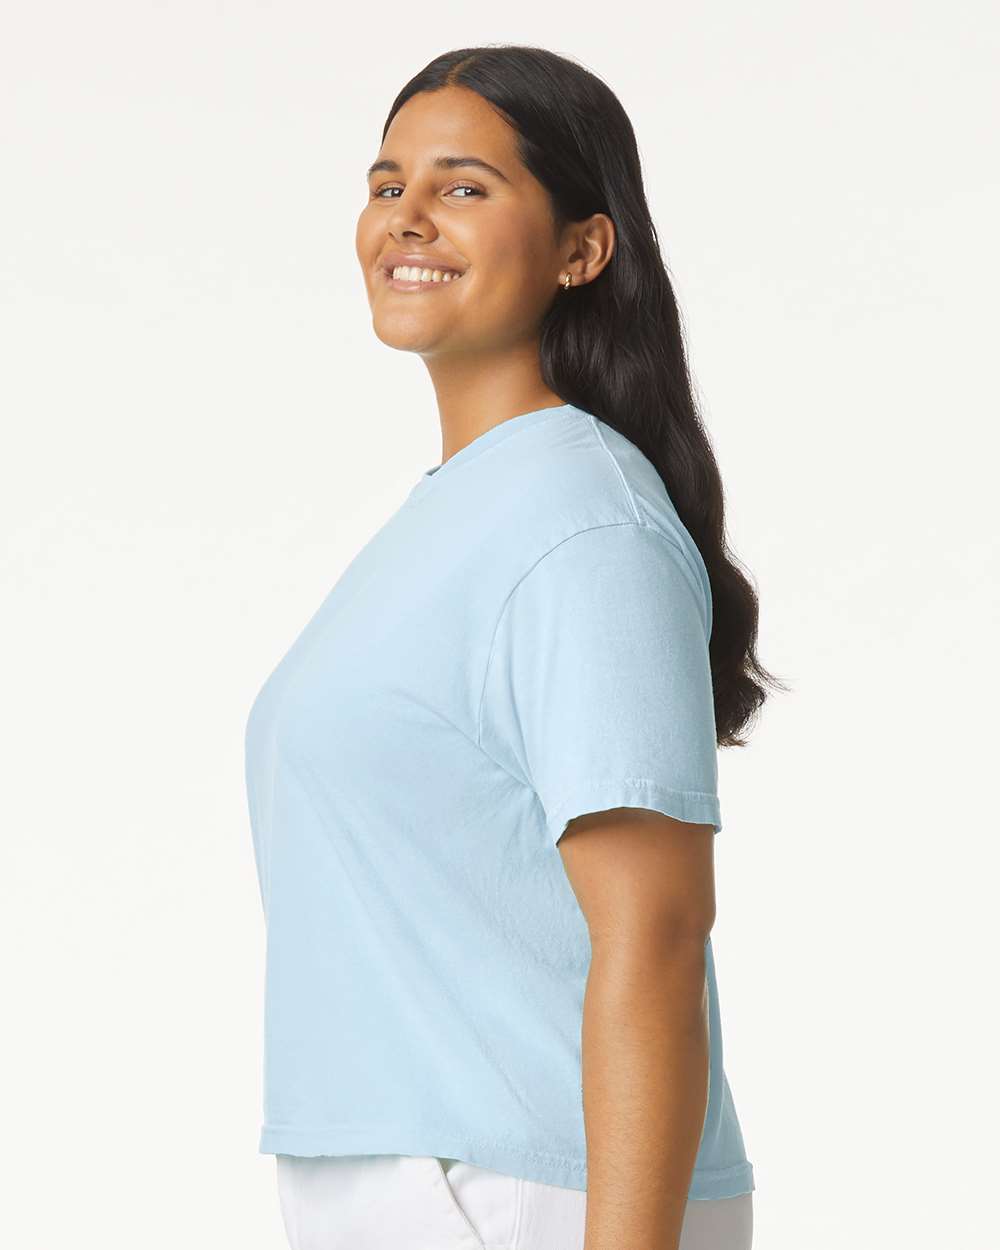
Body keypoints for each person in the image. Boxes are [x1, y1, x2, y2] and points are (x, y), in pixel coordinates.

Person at [245, 43, 784, 1250]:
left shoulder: (581, 520)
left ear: (582, 250)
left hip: (526, 1191)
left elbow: (654, 932)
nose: (407, 216)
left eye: (463, 186)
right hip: (417, 1178)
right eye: (387, 185)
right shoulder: (468, 508)